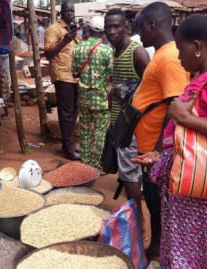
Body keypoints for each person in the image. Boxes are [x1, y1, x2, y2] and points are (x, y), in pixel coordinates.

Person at [135, 14, 207, 268]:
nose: (179, 58)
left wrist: (187, 119)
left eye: (181, 50)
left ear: (198, 47)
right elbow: (200, 139)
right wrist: (164, 157)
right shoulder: (204, 75)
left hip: (205, 199)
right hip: (192, 195)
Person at [129, 2, 189, 260]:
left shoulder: (169, 58)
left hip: (158, 151)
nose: (139, 34)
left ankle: (162, 252)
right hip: (150, 148)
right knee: (154, 203)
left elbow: (175, 108)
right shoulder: (163, 54)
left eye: (141, 27)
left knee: (160, 205)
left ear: (153, 25)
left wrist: (158, 150)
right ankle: (156, 246)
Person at [104, 8, 151, 240]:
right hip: (119, 121)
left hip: (131, 125)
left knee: (130, 175)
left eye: (116, 26)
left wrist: (125, 95)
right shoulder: (116, 51)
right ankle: (135, 216)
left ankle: (138, 223)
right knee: (127, 172)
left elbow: (151, 87)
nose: (111, 31)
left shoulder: (137, 52)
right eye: (108, 27)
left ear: (126, 28)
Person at [72, 16, 113, 170]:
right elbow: (111, 74)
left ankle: (85, 164)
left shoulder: (78, 49)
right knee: (99, 133)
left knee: (85, 132)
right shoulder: (107, 50)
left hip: (83, 98)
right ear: (102, 31)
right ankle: (95, 166)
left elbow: (75, 73)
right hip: (100, 99)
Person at [45, 0, 81, 160]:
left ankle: (68, 144)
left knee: (74, 110)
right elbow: (48, 53)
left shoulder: (73, 31)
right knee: (66, 113)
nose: (71, 14)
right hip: (62, 75)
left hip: (75, 76)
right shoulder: (53, 29)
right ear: (61, 12)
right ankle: (69, 149)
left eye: (72, 11)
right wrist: (65, 40)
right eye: (68, 11)